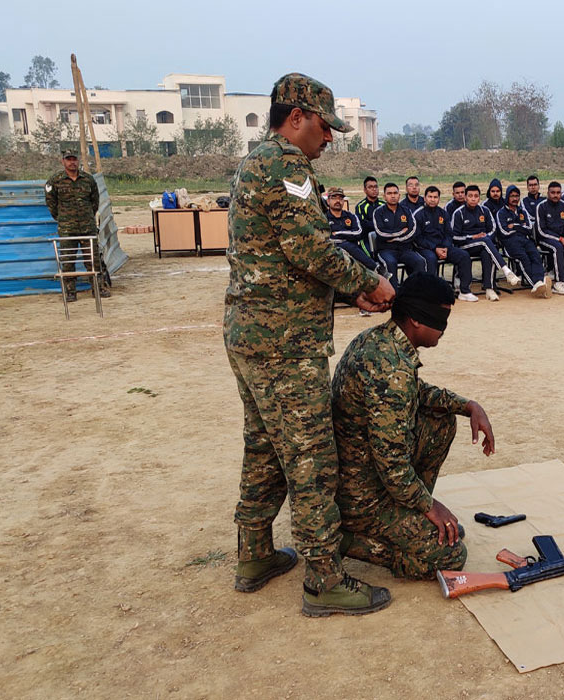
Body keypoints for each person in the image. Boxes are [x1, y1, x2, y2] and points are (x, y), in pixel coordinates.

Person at [224, 73, 396, 617]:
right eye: (324, 127)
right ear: (296, 116)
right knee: (312, 458)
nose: (328, 139)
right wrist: (368, 282)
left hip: (252, 334)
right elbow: (309, 249)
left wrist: (347, 293)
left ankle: (254, 554)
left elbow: (284, 257)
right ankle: (324, 579)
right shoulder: (286, 164)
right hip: (283, 344)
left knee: (264, 447)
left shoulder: (256, 161)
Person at [331, 273, 495, 586]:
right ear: (417, 320)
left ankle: (411, 514)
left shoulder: (383, 341)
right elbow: (392, 466)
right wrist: (429, 505)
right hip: (360, 498)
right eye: (441, 320)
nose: (444, 329)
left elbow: (416, 392)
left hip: (362, 473)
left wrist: (468, 406)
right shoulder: (390, 367)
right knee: (450, 554)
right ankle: (347, 539)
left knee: (441, 419)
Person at [45, 149, 109, 301]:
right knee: (68, 260)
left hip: (87, 227)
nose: (72, 162)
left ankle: (98, 288)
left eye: (74, 159)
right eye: (68, 159)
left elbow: (95, 201)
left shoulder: (88, 180)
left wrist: (88, 216)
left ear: (78, 161)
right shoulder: (55, 181)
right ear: (63, 161)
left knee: (93, 259)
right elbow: (51, 203)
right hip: (67, 229)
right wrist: (63, 218)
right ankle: (70, 292)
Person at [450, 185, 521, 301]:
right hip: (465, 245)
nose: (473, 198)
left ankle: (489, 288)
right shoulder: (458, 213)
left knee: (487, 252)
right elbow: (454, 237)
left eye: (476, 196)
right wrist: (472, 237)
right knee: (485, 243)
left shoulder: (485, 211)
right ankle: (506, 270)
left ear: (479, 198)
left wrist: (485, 237)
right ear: (465, 198)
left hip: (483, 244)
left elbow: (493, 229)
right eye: (470, 196)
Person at [412, 185, 477, 302]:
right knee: (431, 259)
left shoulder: (443, 213)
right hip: (425, 248)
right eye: (430, 197)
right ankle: (431, 294)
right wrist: (435, 248)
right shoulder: (418, 215)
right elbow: (418, 238)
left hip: (443, 247)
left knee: (463, 255)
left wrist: (445, 247)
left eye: (435, 197)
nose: (433, 199)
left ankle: (464, 291)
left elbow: (449, 234)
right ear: (425, 198)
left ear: (439, 198)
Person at [494, 185, 552, 297]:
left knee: (535, 255)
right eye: (512, 196)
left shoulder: (522, 211)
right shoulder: (501, 213)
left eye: (517, 196)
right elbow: (504, 232)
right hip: (510, 243)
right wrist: (521, 226)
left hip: (525, 240)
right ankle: (536, 283)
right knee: (524, 259)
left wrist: (514, 226)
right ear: (507, 197)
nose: (515, 198)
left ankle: (541, 283)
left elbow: (529, 228)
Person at [372, 183, 427, 285]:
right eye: (389, 193)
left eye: (395, 193)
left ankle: (416, 291)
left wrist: (395, 238)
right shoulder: (378, 212)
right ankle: (394, 292)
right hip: (386, 250)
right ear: (384, 196)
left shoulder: (406, 210)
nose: (393, 196)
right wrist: (401, 232)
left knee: (420, 261)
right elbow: (381, 233)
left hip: (405, 249)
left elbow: (412, 231)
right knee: (390, 263)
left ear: (399, 195)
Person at [533, 182, 564, 295]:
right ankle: (559, 282)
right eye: (553, 193)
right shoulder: (541, 206)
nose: (555, 195)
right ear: (548, 193)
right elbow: (541, 231)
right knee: (557, 247)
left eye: (558, 193)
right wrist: (560, 239)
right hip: (545, 239)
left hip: (562, 238)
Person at [325, 187, 379, 272]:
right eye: (334, 198)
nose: (338, 201)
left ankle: (375, 271)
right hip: (333, 253)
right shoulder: (324, 218)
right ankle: (376, 268)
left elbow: (358, 233)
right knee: (347, 245)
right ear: (328, 201)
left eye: (341, 198)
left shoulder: (351, 216)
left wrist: (339, 233)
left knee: (350, 246)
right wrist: (348, 237)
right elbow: (327, 237)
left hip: (353, 253)